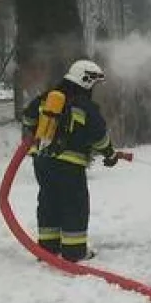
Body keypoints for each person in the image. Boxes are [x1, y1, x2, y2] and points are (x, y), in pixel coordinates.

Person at [20, 59, 121, 262]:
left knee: (49, 201)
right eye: (93, 83)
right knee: (74, 205)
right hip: (69, 166)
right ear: (85, 80)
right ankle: (74, 252)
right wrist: (110, 155)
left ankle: (48, 248)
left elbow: (28, 118)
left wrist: (34, 139)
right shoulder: (85, 106)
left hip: (43, 162)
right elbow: (99, 136)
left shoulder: (47, 98)